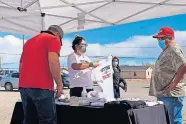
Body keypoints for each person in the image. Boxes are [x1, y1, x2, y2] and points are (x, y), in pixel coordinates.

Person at [19, 25, 63, 124]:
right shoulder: (53, 39)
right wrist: (59, 85)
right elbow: (53, 62)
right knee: (47, 120)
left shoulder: (28, 42)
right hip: (42, 86)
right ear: (58, 35)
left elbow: (21, 66)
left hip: (24, 86)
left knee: (29, 120)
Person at [149, 27, 186, 124]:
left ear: (169, 37)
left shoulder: (174, 49)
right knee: (167, 119)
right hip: (165, 93)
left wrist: (174, 84)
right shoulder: (167, 50)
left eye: (161, 39)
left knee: (173, 120)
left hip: (171, 94)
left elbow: (183, 65)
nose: (159, 41)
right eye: (158, 39)